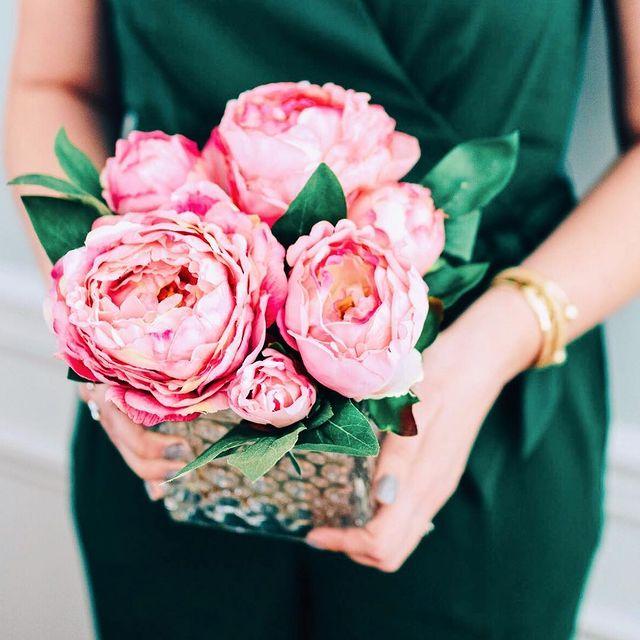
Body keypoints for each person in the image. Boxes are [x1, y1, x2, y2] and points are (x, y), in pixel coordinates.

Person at [6, 1, 640, 638]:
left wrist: (494, 343)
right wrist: (105, 320)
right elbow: (56, 83)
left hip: (483, 419)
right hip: (171, 425)